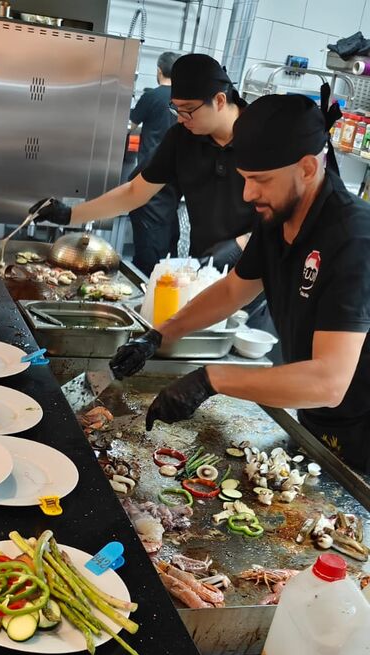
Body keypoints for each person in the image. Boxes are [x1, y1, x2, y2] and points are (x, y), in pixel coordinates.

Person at [109, 94, 370, 474]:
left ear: (308, 168)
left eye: (260, 180)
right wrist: (158, 335)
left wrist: (211, 379)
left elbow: (329, 381)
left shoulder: (353, 240)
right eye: (245, 178)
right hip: (315, 418)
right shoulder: (279, 217)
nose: (248, 194)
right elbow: (234, 290)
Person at [30, 54, 257, 273]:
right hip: (205, 266)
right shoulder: (182, 137)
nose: (180, 118)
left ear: (219, 100)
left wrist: (240, 246)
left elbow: (279, 217)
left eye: (188, 110)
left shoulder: (263, 136)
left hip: (256, 267)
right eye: (176, 109)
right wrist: (70, 215)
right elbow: (134, 192)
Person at [127, 50, 180, 275]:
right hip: (174, 182)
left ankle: (146, 281)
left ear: (159, 71)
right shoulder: (184, 101)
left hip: (149, 178)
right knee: (166, 241)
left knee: (148, 249)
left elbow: (128, 127)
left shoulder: (152, 97)